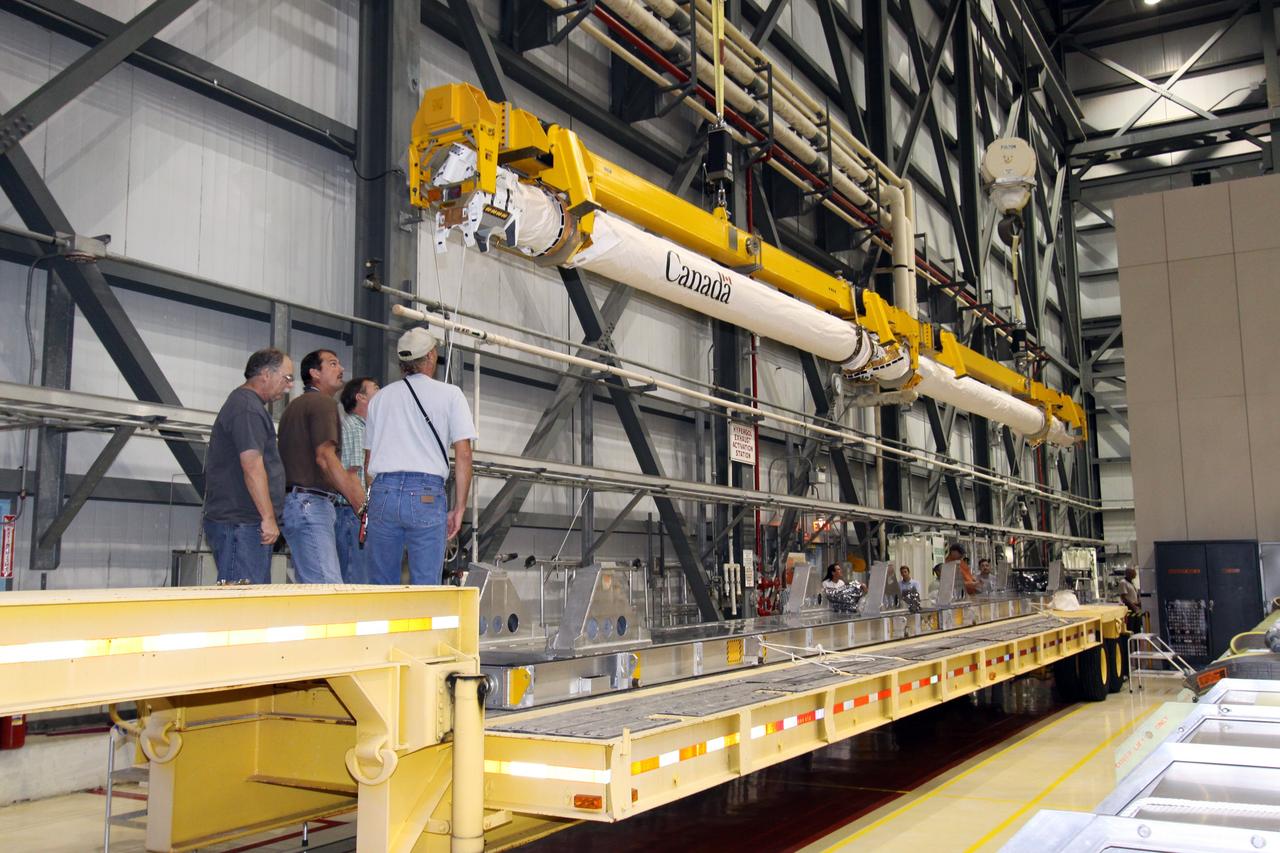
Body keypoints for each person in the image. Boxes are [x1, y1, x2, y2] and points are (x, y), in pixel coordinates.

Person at [363, 327, 477, 585]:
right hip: (425, 494)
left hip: (383, 492)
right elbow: (463, 455)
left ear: (402, 362)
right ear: (431, 356)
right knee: (426, 585)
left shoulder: (379, 399)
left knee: (381, 586)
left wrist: (377, 497)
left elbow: (368, 461)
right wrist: (459, 507)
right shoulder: (450, 395)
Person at [202, 348, 293, 583]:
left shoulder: (247, 406)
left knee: (247, 601)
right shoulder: (247, 408)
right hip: (241, 524)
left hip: (243, 523)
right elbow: (252, 465)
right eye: (287, 377)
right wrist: (268, 518)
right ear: (265, 374)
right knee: (242, 603)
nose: (289, 386)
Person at [277, 349, 366, 583]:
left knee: (313, 587)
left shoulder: (294, 407)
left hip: (296, 504)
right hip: (310, 505)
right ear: (314, 373)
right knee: (328, 588)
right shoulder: (322, 404)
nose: (341, 369)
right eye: (333, 364)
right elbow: (325, 457)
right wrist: (360, 504)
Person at [334, 376, 379, 583]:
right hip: (353, 514)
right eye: (376, 389)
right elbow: (352, 475)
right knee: (355, 578)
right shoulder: (353, 427)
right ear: (360, 397)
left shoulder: (368, 430)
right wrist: (365, 515)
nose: (381, 392)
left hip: (358, 514)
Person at [1119, 567, 1143, 632]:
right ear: (1128, 573)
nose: (1135, 574)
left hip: (1136, 609)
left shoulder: (1131, 583)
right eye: (1133, 573)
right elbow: (1124, 598)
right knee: (1131, 628)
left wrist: (1138, 604)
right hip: (1130, 609)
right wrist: (1133, 606)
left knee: (1137, 629)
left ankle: (1136, 641)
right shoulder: (1123, 583)